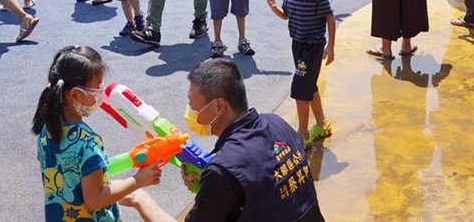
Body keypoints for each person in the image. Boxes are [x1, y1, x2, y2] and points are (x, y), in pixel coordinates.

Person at [118, 59, 324, 222]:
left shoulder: (223, 171)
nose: (191, 112)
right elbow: (264, 183)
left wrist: (140, 199)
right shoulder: (278, 123)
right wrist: (207, 186)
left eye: (192, 105)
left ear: (218, 106)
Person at [32, 45, 161, 222]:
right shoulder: (87, 142)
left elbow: (73, 175)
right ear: (75, 95)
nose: (100, 93)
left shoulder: (46, 131)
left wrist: (129, 159)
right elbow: (95, 200)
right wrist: (137, 181)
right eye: (96, 87)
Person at [266, 0, 336, 148]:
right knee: (309, 85)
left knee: (299, 87)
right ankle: (321, 123)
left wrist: (330, 47)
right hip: (297, 44)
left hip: (313, 47)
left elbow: (330, 18)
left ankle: (302, 133)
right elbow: (286, 15)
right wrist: (274, 9)